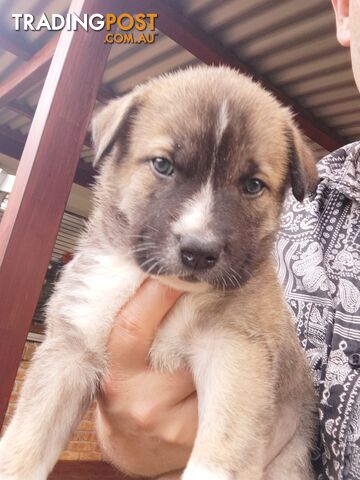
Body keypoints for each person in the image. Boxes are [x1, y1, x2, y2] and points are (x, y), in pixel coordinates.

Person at [96, 1, 360, 478]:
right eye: (163, 165)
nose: (204, 230)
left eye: (252, 186)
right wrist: (134, 439)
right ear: (345, 12)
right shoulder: (298, 216)